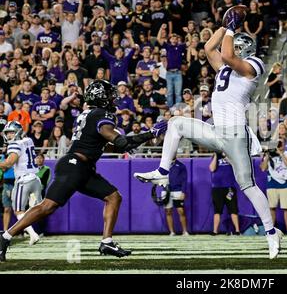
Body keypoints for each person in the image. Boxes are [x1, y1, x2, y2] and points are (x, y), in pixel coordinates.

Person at [134, 10, 283, 259]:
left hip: (235, 135)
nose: (232, 46)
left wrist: (232, 30)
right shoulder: (225, 69)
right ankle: (162, 172)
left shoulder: (254, 65)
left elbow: (225, 53)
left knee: (247, 185)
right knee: (176, 123)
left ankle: (271, 233)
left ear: (244, 48)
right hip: (217, 131)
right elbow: (208, 47)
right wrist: (225, 27)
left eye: (236, 44)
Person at [0, 80, 168, 261]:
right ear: (101, 97)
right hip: (74, 165)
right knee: (47, 207)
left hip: (83, 167)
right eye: (110, 94)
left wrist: (133, 141)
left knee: (113, 196)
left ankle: (107, 241)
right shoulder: (101, 115)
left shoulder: (91, 115)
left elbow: (112, 145)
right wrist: (151, 133)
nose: (113, 98)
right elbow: (121, 142)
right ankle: (5, 238)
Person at [0, 121, 41, 246]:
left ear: (17, 131)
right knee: (35, 209)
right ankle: (33, 232)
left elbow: (7, 164)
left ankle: (33, 235)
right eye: (8, 133)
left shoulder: (14, 145)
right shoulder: (28, 140)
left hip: (23, 180)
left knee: (18, 211)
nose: (9, 135)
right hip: (35, 178)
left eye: (12, 132)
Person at [260, 140, 287, 236]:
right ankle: (271, 231)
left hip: (285, 184)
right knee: (271, 208)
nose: (278, 146)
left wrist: (280, 153)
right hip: (271, 184)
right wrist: (268, 155)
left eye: (280, 144)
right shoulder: (268, 155)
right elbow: (263, 168)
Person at [209, 152, 240, 236]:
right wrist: (216, 155)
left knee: (233, 209)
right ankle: (215, 231)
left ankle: (237, 230)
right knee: (217, 210)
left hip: (229, 187)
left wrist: (226, 155)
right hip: (217, 188)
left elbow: (235, 165)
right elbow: (212, 169)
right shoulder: (215, 157)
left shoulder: (231, 155)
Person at [164, 157, 189, 236]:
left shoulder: (181, 165)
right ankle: (172, 232)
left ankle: (184, 231)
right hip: (166, 190)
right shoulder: (164, 164)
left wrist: (183, 191)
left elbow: (184, 179)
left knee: (181, 210)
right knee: (168, 211)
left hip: (177, 190)